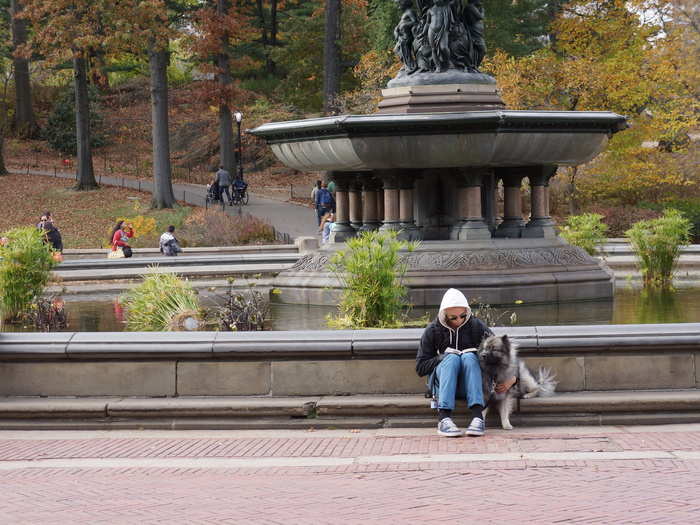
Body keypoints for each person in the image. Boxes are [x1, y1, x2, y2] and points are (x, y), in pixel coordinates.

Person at [416, 288, 515, 437]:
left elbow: (502, 351)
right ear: (444, 315)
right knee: (452, 358)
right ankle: (444, 419)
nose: (459, 320)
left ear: (467, 311)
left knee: (469, 356)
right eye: (453, 318)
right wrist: (442, 357)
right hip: (443, 385)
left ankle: (477, 417)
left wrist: (512, 379)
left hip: (472, 384)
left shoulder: (476, 326)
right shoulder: (433, 330)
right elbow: (420, 367)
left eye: (462, 315)